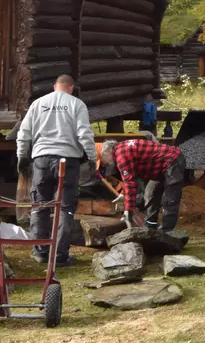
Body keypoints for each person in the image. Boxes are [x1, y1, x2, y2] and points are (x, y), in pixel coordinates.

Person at [15, 74, 97, 266]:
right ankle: (60, 256)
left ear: (54, 87)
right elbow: (84, 134)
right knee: (65, 208)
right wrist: (92, 157)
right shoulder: (77, 105)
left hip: (41, 160)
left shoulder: (38, 104)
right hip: (68, 161)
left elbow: (24, 133)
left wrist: (22, 156)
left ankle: (40, 252)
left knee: (40, 206)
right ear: (71, 87)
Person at [100, 137, 189, 231]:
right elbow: (130, 178)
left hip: (173, 160)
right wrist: (123, 194)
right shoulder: (120, 149)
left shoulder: (121, 156)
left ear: (107, 152)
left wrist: (128, 210)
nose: (104, 163)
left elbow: (130, 183)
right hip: (160, 167)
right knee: (150, 193)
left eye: (102, 159)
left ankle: (167, 232)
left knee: (170, 198)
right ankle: (151, 226)